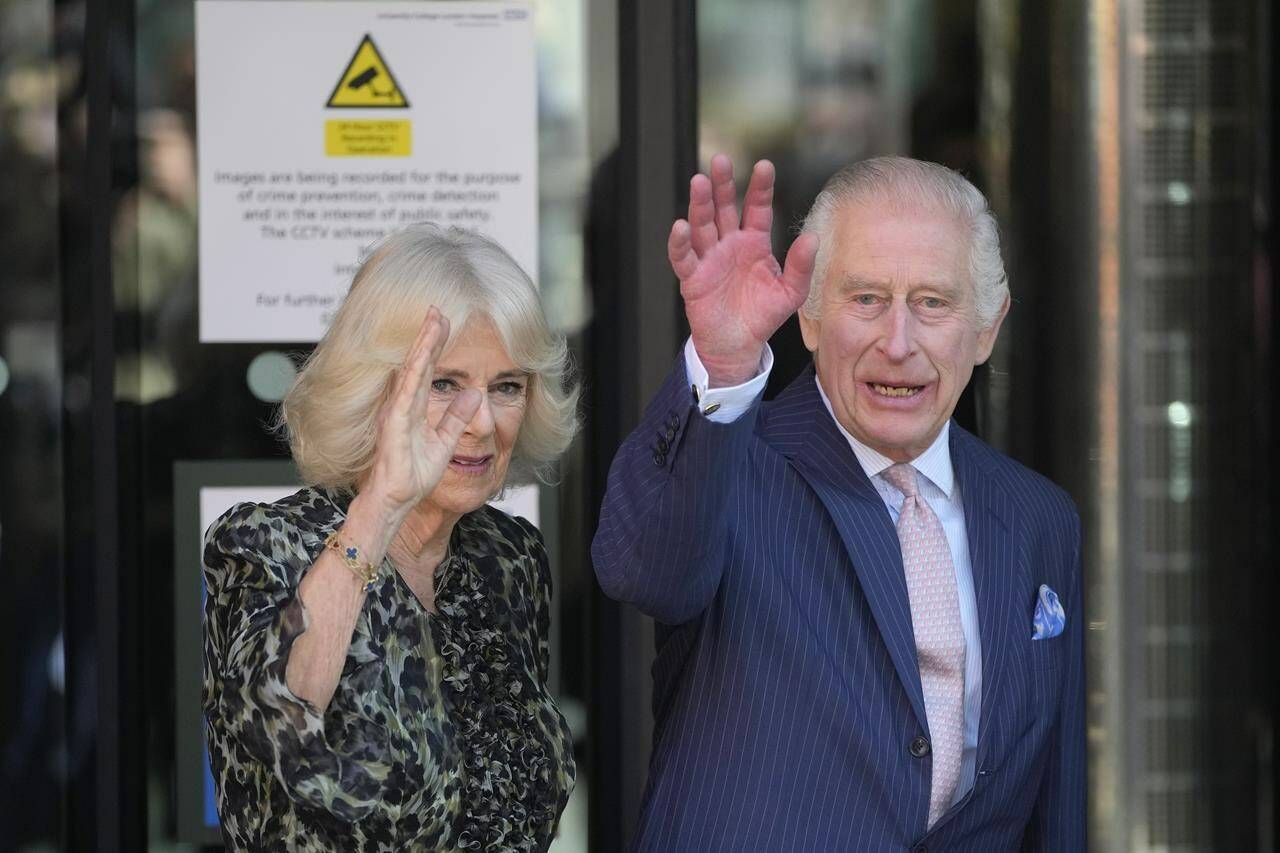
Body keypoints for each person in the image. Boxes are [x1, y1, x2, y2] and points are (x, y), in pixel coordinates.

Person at [593, 155, 1084, 850]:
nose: (898, 342)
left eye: (933, 302)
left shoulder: (1040, 518)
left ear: (987, 329)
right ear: (811, 317)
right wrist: (723, 367)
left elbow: (1053, 813)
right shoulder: (735, 470)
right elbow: (639, 568)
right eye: (866, 299)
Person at [202, 224, 579, 851]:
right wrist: (380, 507)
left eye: (506, 387)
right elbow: (277, 724)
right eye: (444, 384)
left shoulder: (508, 558)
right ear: (375, 391)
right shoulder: (263, 546)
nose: (479, 422)